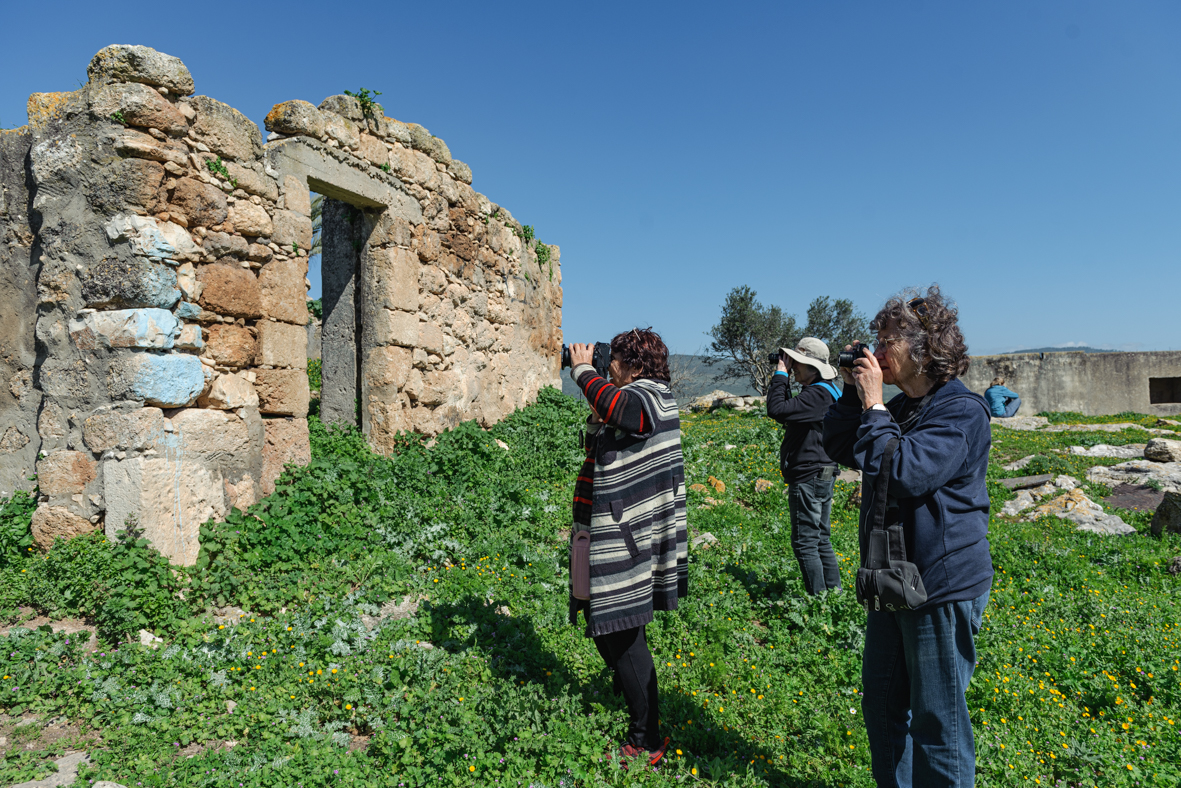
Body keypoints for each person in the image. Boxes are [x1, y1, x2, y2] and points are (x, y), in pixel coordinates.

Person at [823, 287, 993, 788]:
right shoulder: (899, 409)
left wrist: (875, 405)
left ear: (924, 348)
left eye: (888, 340)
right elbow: (839, 445)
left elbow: (905, 472)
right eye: (876, 339)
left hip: (940, 585)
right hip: (893, 581)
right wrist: (861, 398)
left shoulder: (959, 412)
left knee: (938, 723)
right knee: (881, 708)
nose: (878, 349)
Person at [567, 328, 687, 767]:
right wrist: (598, 412)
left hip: (627, 537)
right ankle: (632, 694)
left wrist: (582, 371)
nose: (607, 365)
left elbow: (624, 409)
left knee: (622, 633)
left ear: (636, 364)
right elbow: (611, 431)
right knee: (605, 623)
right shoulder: (639, 398)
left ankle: (648, 738)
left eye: (613, 359)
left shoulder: (649, 396)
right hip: (613, 532)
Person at [766, 337, 843, 595]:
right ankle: (833, 595)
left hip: (809, 475)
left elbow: (776, 409)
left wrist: (779, 375)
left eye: (799, 363)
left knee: (805, 543)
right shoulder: (828, 390)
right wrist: (785, 380)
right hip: (823, 472)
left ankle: (818, 599)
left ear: (815, 368)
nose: (794, 366)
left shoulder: (817, 394)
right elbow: (789, 413)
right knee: (821, 540)